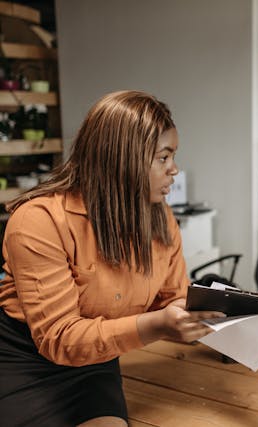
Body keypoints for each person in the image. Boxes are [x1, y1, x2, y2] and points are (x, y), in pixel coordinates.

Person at [0, 90, 224, 426]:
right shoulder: (39, 221)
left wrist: (199, 318)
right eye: (163, 158)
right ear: (124, 159)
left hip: (95, 360)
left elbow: (172, 297)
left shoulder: (160, 217)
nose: (174, 169)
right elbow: (59, 339)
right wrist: (158, 325)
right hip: (26, 359)